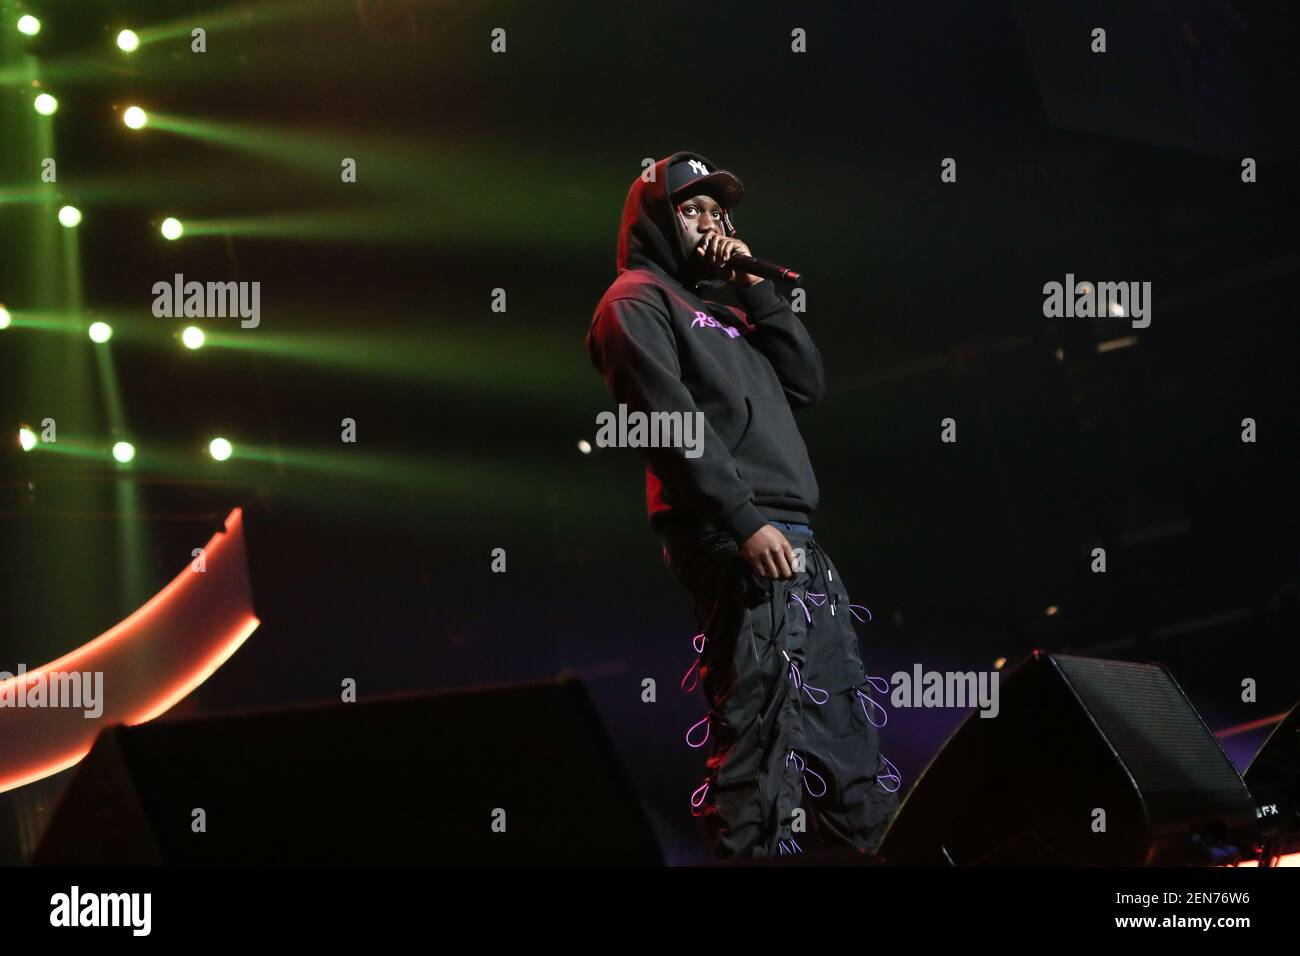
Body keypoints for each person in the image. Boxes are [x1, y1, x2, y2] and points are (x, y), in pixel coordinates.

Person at [585, 150, 899, 859]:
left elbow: (807, 382)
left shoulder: (727, 311)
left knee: (845, 733)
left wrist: (756, 290)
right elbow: (666, 424)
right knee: (763, 742)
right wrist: (742, 518)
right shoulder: (634, 300)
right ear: (657, 222)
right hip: (735, 536)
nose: (709, 223)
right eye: (690, 210)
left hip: (795, 537)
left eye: (717, 212)